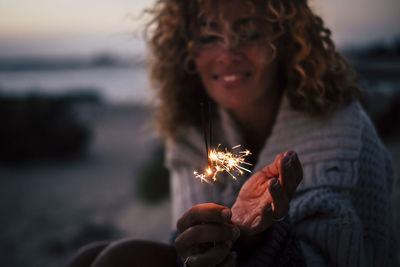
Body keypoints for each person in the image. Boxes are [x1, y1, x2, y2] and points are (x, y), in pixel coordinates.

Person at [69, 0, 397, 266]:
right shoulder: (191, 130)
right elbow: (187, 249)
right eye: (210, 36)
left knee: (117, 259)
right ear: (187, 52)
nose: (227, 53)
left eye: (249, 33)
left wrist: (259, 236)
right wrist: (204, 244)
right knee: (87, 257)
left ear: (284, 40)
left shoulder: (339, 131)